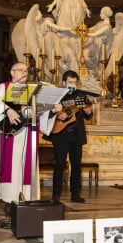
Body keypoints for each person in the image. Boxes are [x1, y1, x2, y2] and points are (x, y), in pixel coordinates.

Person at [0, 62, 61, 208]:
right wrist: (7, 110)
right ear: (12, 72)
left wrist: (52, 110)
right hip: (9, 134)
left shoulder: (34, 91)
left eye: (26, 70)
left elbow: (42, 111)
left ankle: (27, 199)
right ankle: (8, 200)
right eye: (20, 70)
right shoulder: (3, 88)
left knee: (27, 165)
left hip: (28, 133)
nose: (24, 73)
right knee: (11, 166)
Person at [43, 70, 93, 203]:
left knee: (76, 166)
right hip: (60, 135)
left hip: (77, 135)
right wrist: (59, 114)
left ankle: (75, 194)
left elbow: (88, 115)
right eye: (70, 82)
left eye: (75, 82)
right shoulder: (56, 95)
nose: (73, 85)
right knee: (59, 165)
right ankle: (56, 195)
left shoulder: (81, 95)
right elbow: (46, 110)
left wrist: (88, 112)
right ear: (64, 82)